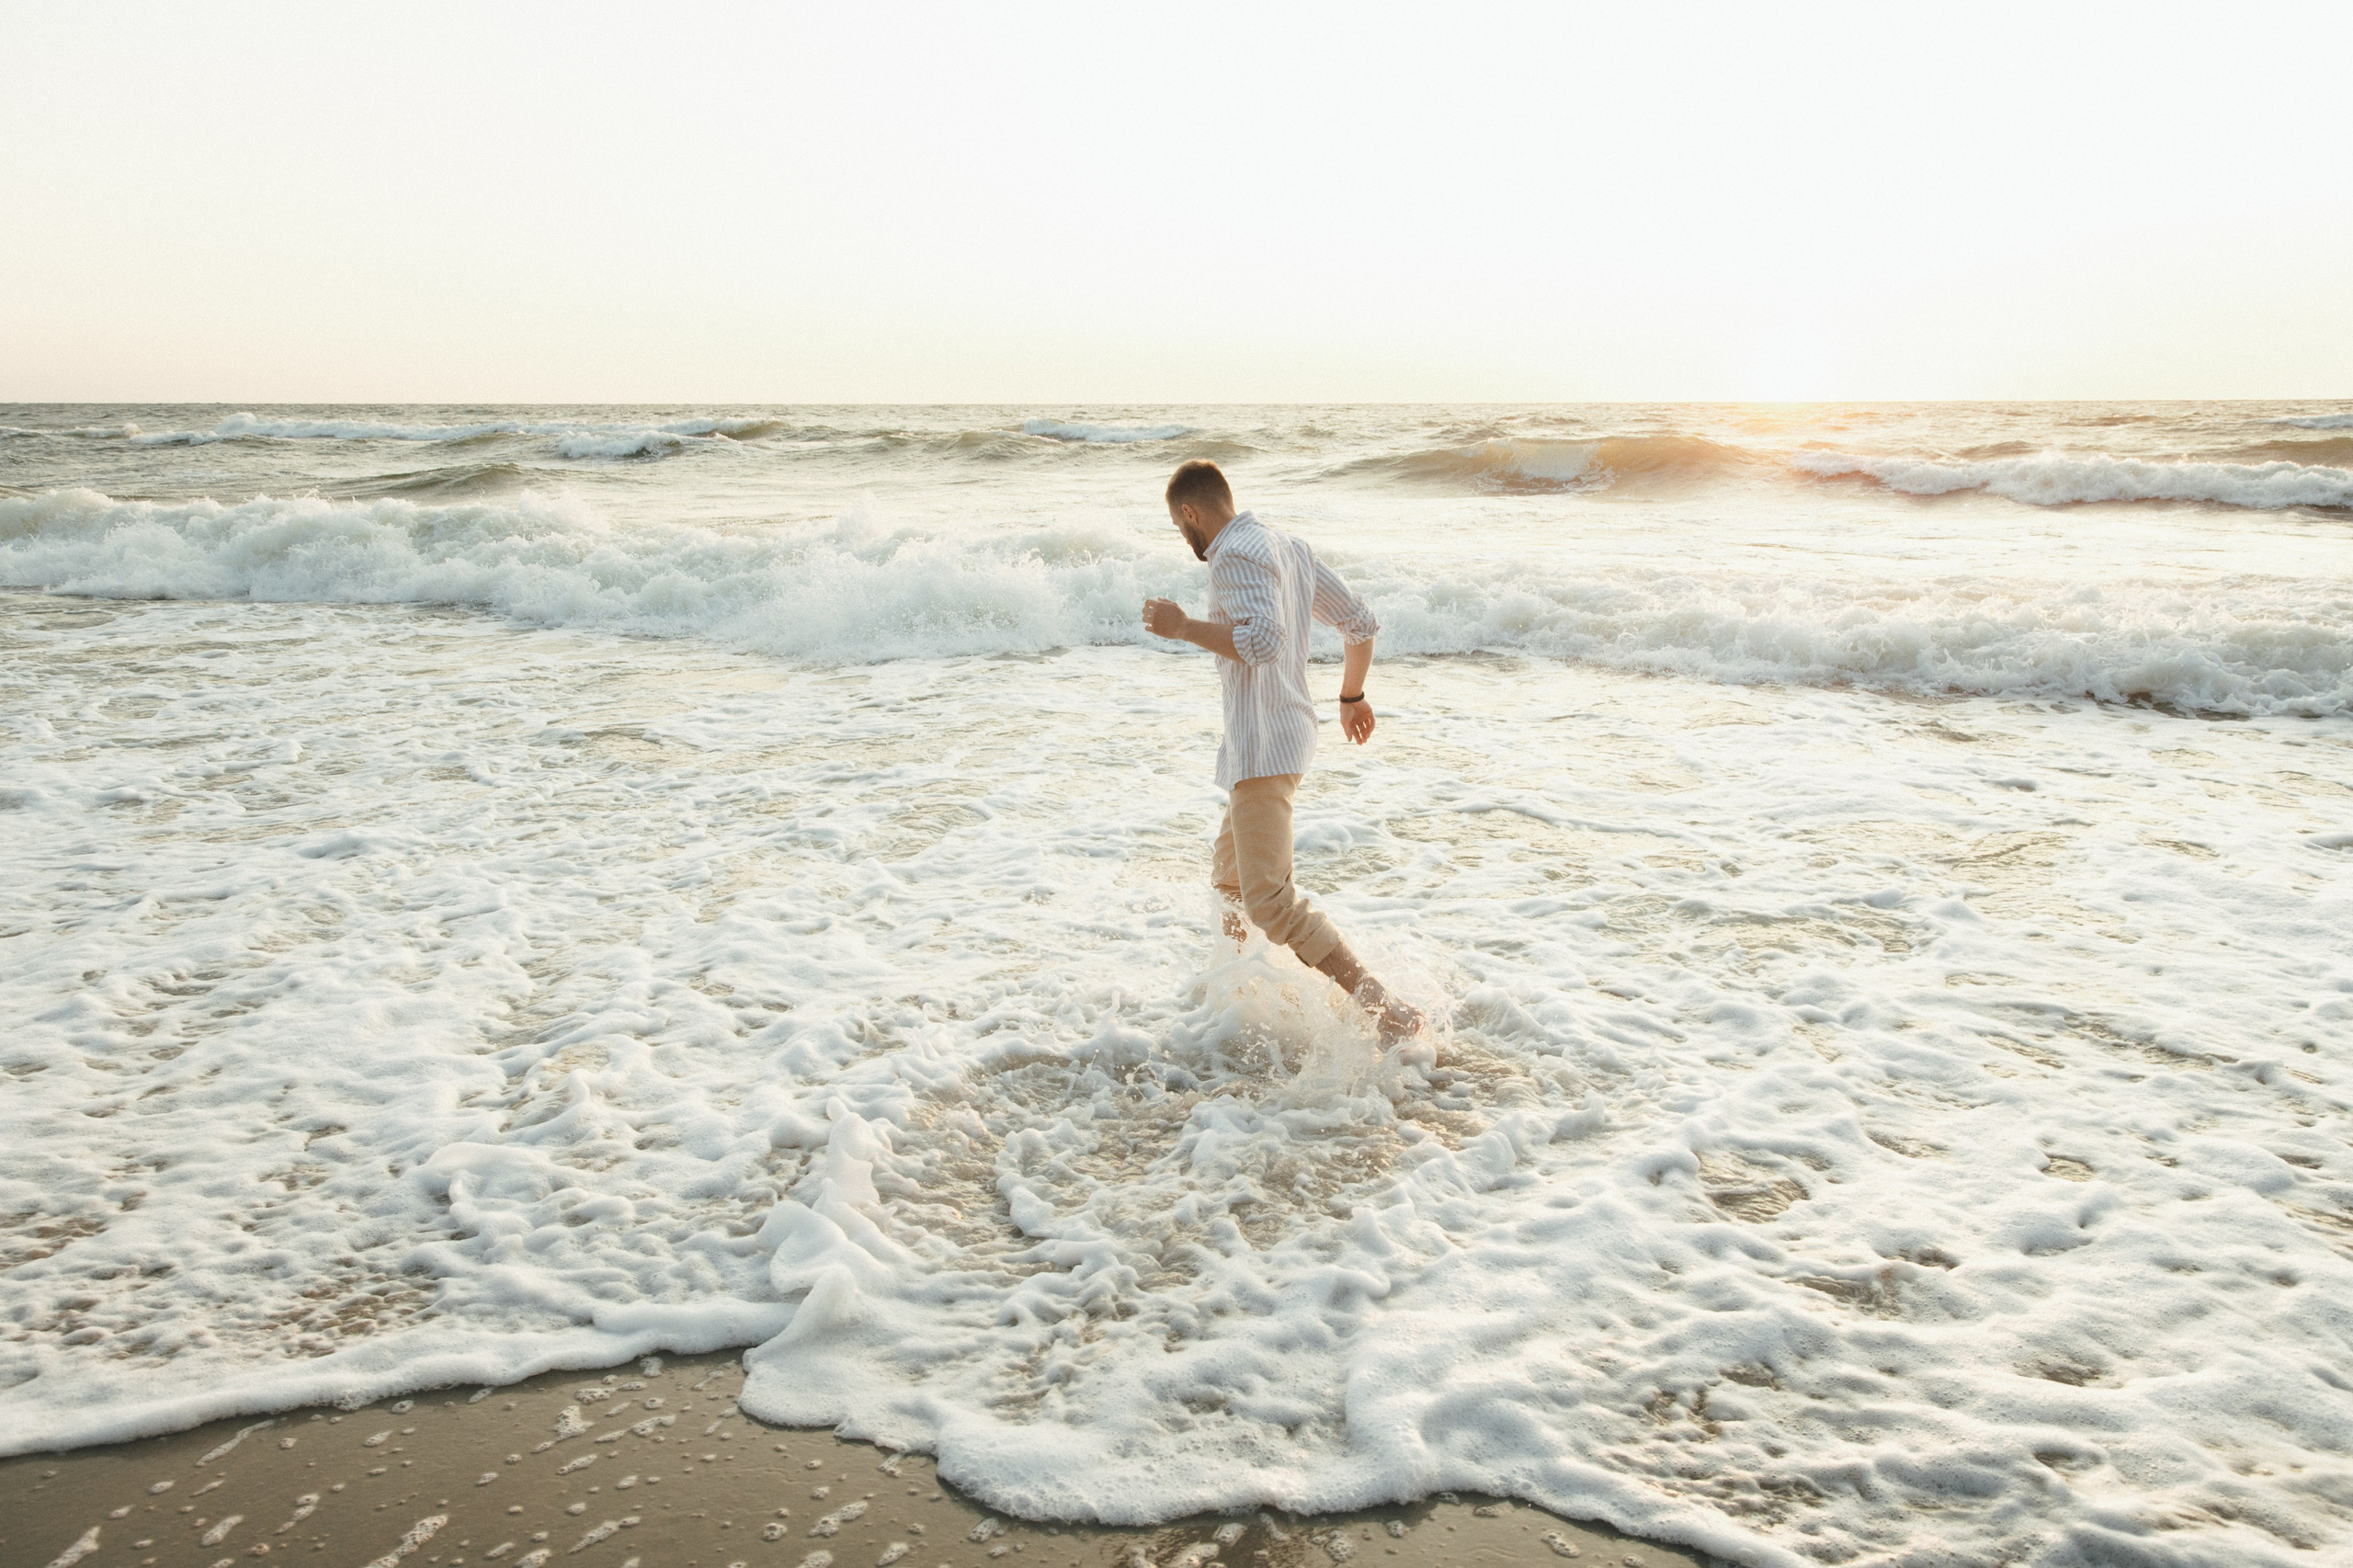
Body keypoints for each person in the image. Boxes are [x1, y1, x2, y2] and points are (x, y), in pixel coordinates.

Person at [1142, 460, 1424, 1042]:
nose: (1184, 537)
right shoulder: (1287, 546)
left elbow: (1263, 644)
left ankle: (1384, 1008)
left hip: (1264, 745)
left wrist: (1184, 626)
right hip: (1283, 738)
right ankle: (1237, 995)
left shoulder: (1232, 553)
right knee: (1229, 881)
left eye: (1179, 526)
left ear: (1191, 513)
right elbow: (1360, 622)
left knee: (1268, 900)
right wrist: (1352, 695)